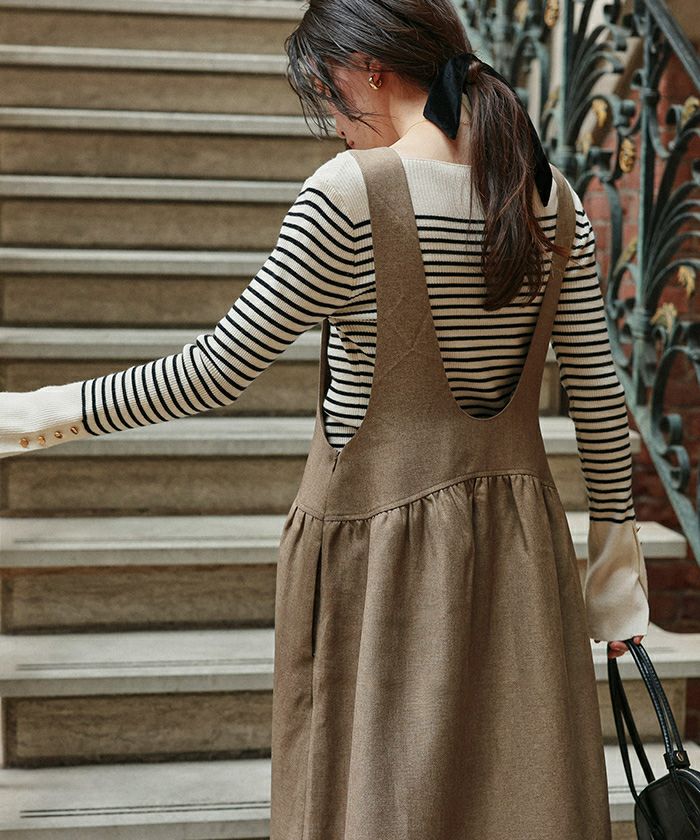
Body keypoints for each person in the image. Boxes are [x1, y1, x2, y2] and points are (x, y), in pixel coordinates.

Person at [0, 1, 647, 836]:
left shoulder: (351, 194)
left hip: (380, 557)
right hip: (520, 554)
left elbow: (213, 371)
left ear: (369, 68)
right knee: (514, 803)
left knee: (379, 803)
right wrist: (615, 587)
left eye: (327, 94)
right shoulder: (552, 199)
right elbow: (600, 402)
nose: (334, 123)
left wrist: (26, 418)